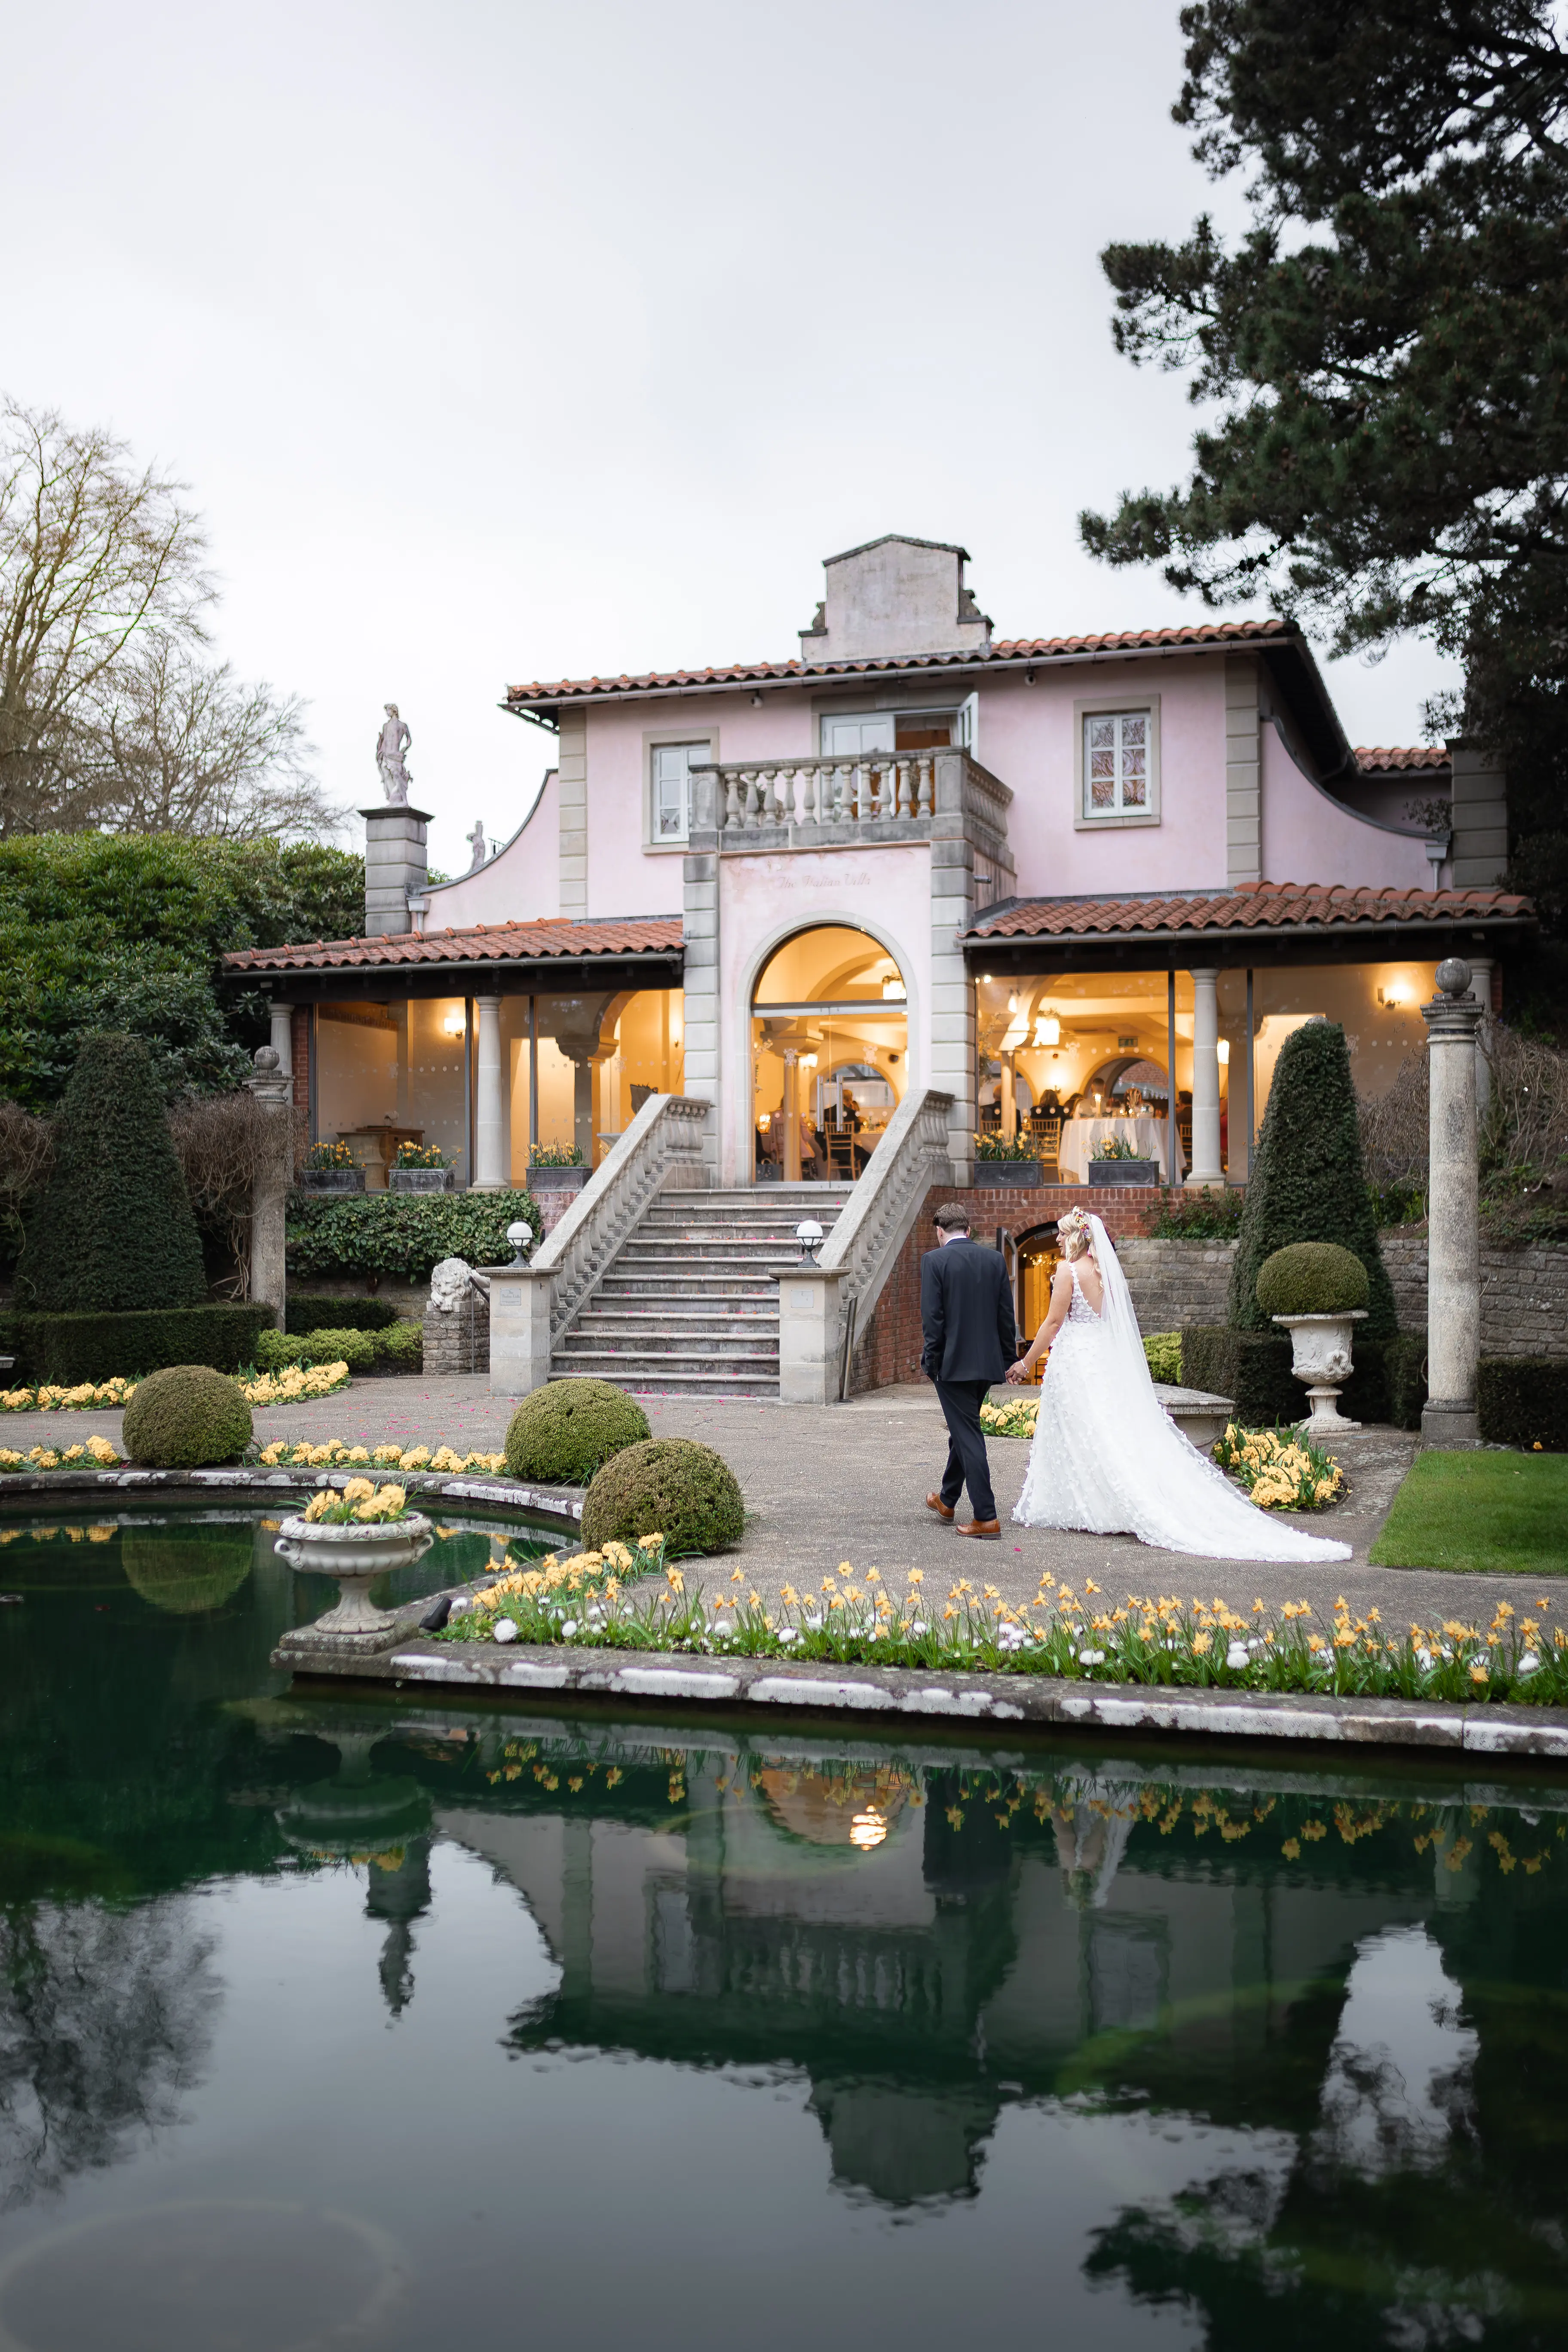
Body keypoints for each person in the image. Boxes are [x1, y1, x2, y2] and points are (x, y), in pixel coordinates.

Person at [1007, 1207, 1350, 1560]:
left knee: (1082, 1429)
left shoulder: (1067, 1271)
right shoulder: (1107, 1274)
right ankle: (1103, 1503)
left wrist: (1024, 1362)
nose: (1059, 1240)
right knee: (1108, 1428)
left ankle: (1092, 1504)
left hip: (1078, 1359)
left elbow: (1052, 1323)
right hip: (1103, 1358)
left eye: (1063, 1234)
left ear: (1077, 1237)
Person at [919, 1202, 1019, 1540]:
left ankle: (986, 1517)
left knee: (968, 1435)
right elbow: (1007, 1315)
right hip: (986, 1364)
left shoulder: (934, 1261)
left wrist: (930, 1362)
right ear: (969, 1229)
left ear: (939, 1231)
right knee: (963, 1431)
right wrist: (1009, 1359)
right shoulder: (994, 1260)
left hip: (952, 1365)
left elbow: (934, 1319)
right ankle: (947, 1499)